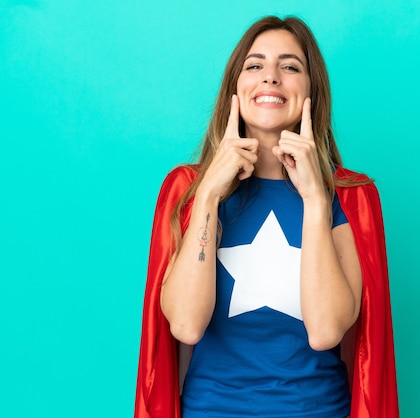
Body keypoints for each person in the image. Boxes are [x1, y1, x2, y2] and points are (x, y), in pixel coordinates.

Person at [135, 16, 399, 418]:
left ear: (312, 90)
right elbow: (186, 326)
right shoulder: (187, 189)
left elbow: (326, 332)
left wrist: (314, 198)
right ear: (234, 89)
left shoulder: (351, 196)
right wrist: (208, 195)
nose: (271, 77)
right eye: (255, 65)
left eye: (290, 66)